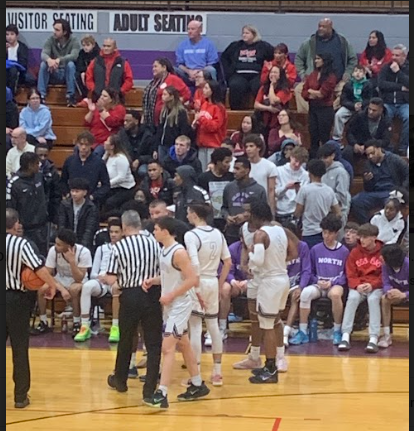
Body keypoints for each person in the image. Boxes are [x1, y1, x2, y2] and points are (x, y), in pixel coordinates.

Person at [142, 217, 210, 408]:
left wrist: (171, 294)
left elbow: (192, 279)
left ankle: (162, 393)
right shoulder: (164, 250)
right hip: (171, 304)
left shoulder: (179, 252)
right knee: (184, 343)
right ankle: (197, 384)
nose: (153, 232)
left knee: (167, 347)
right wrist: (153, 281)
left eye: (156, 229)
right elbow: (171, 277)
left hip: (180, 304)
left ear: (165, 231)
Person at [103, 211, 162, 401]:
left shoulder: (119, 247)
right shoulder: (155, 243)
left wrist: (115, 282)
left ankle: (120, 380)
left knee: (126, 339)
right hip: (152, 293)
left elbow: (112, 276)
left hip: (130, 295)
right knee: (153, 343)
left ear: (124, 226)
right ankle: (150, 388)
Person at [6, 208, 57, 409]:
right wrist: (52, 285)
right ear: (16, 224)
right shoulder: (21, 243)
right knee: (19, 348)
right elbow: (38, 268)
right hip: (15, 300)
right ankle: (20, 396)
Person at [247, 201, 298, 383]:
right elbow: (294, 252)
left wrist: (252, 255)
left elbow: (258, 261)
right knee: (275, 321)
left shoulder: (260, 234)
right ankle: (277, 359)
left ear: (255, 216)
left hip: (269, 282)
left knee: (267, 325)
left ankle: (270, 369)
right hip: (283, 278)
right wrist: (277, 260)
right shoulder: (280, 230)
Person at [185, 204, 232, 386]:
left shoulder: (191, 235)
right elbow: (227, 262)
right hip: (213, 280)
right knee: (213, 326)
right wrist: (220, 285)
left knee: (195, 327)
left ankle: (195, 375)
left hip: (199, 281)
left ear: (195, 215)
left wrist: (196, 288)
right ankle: (217, 372)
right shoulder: (218, 233)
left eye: (189, 213)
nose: (187, 216)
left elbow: (194, 265)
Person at [289, 214, 349, 346]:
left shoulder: (344, 251)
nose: (326, 236)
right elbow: (309, 271)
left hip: (335, 284)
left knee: (335, 294)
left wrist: (332, 283)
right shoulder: (316, 249)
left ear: (337, 233)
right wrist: (317, 281)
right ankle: (303, 331)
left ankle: (337, 330)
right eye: (324, 232)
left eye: (329, 233)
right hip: (318, 284)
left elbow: (346, 274)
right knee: (305, 294)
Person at [33, 229, 93, 337]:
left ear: (68, 246)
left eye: (59, 245)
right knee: (41, 288)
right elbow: (47, 274)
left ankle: (76, 322)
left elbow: (79, 278)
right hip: (59, 279)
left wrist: (72, 262)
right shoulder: (53, 251)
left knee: (74, 289)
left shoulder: (84, 252)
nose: (56, 246)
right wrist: (61, 289)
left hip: (78, 280)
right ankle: (43, 321)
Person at [74, 219, 123, 343]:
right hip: (101, 281)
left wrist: (113, 277)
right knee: (87, 286)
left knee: (117, 289)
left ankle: (115, 327)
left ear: (122, 232)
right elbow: (93, 272)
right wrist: (101, 277)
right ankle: (85, 326)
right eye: (111, 232)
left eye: (116, 232)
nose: (113, 235)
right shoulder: (101, 249)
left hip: (117, 281)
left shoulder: (126, 248)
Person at [294, 18, 357, 113]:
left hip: (337, 81)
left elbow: (353, 59)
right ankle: (308, 115)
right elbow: (298, 59)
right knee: (298, 90)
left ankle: (329, 110)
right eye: (319, 26)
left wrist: (347, 73)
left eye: (324, 27)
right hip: (313, 82)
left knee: (346, 92)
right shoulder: (310, 42)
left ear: (331, 27)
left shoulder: (342, 41)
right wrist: (303, 74)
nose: (320, 29)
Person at [339, 224, 383, 353]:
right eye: (361, 237)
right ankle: (345, 335)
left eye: (365, 237)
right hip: (359, 286)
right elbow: (350, 272)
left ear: (374, 238)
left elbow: (385, 274)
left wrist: (373, 285)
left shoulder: (382, 251)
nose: (361, 240)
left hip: (375, 286)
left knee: (373, 300)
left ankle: (373, 337)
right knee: (352, 298)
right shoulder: (355, 252)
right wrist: (357, 285)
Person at [351, 139, 409, 224]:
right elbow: (367, 188)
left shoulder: (394, 159)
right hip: (374, 192)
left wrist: (401, 189)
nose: (370, 156)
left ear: (379, 149)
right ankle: (368, 226)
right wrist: (367, 181)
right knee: (356, 201)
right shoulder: (368, 164)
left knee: (391, 204)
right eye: (368, 155)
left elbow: (408, 173)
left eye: (372, 153)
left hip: (391, 192)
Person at [221, 25, 274, 110]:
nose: (244, 35)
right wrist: (229, 72)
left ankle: (260, 111)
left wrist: (268, 71)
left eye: (247, 33)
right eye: (243, 33)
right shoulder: (236, 45)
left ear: (254, 34)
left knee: (259, 86)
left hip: (256, 75)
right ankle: (236, 112)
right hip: (239, 75)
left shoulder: (263, 46)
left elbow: (274, 56)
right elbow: (224, 57)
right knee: (235, 85)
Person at [6, 152, 48, 256]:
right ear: (30, 165)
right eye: (37, 163)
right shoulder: (14, 183)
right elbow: (10, 208)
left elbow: (47, 194)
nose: (40, 165)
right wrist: (16, 227)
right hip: (25, 230)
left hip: (42, 227)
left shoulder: (39, 176)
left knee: (42, 258)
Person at [294, 159, 341, 249]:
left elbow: (297, 212)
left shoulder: (304, 190)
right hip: (325, 232)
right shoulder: (329, 190)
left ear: (309, 173)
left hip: (309, 232)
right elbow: (338, 213)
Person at [221, 157, 267, 245]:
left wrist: (246, 217)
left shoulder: (259, 189)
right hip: (232, 232)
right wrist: (227, 217)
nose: (234, 171)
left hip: (252, 232)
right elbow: (224, 207)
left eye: (237, 169)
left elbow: (263, 214)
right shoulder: (229, 187)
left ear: (247, 170)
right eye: (234, 168)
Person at [37, 19, 80, 107]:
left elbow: (74, 55)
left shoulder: (74, 41)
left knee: (71, 65)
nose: (54, 32)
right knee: (43, 64)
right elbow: (44, 54)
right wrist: (49, 60)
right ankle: (41, 95)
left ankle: (71, 96)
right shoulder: (51, 39)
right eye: (54, 29)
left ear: (65, 32)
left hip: (66, 73)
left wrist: (59, 60)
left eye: (57, 30)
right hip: (54, 71)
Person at [60, 131, 110, 205]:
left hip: (91, 203)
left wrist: (93, 196)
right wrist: (67, 194)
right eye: (81, 144)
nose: (83, 147)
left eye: (86, 145)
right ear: (77, 144)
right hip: (72, 201)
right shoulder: (70, 161)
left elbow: (106, 185)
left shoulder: (99, 162)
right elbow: (63, 181)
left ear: (91, 145)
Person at [302, 53, 337, 159]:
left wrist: (311, 91)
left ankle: (326, 160)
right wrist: (311, 93)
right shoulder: (312, 74)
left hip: (325, 110)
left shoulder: (331, 76)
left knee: (324, 137)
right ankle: (313, 161)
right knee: (313, 136)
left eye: (318, 59)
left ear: (324, 60)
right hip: (313, 109)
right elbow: (304, 92)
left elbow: (323, 94)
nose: (316, 61)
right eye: (315, 58)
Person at [282, 223, 312, 347]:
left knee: (295, 297)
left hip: (296, 283)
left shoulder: (303, 246)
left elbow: (306, 270)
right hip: (281, 281)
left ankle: (286, 331)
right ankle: (279, 329)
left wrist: (301, 287)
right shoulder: (279, 247)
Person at [378, 44, 409, 154]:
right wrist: (400, 87)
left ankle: (403, 148)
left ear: (404, 57)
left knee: (408, 117)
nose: (394, 58)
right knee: (384, 117)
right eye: (393, 55)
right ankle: (387, 147)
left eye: (397, 55)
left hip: (404, 103)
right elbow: (381, 84)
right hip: (388, 102)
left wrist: (398, 73)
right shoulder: (386, 68)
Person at [143, 58, 191, 127]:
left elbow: (187, 94)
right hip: (154, 121)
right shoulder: (154, 82)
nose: (153, 69)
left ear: (164, 67)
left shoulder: (173, 79)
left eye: (156, 66)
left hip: (168, 119)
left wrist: (175, 103)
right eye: (153, 67)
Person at [192, 80, 228, 171]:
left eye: (206, 88)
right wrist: (196, 124)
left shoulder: (219, 108)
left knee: (211, 171)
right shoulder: (204, 105)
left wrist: (201, 119)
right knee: (202, 172)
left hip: (214, 145)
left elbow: (215, 126)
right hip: (202, 144)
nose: (203, 90)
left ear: (213, 91)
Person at [344, 97, 393, 164]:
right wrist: (354, 144)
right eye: (369, 109)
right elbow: (349, 132)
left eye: (374, 110)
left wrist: (371, 146)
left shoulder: (386, 121)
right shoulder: (359, 116)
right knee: (347, 151)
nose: (370, 112)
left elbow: (386, 140)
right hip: (359, 146)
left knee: (388, 153)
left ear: (381, 110)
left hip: (376, 146)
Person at [378, 244, 409, 348]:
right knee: (384, 299)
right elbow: (385, 282)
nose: (379, 258)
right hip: (395, 294)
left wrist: (404, 294)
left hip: (406, 293)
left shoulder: (408, 265)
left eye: (382, 256)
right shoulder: (385, 266)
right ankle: (387, 335)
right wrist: (388, 291)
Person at [332, 64, 373, 142]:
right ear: (352, 73)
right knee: (338, 114)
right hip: (350, 106)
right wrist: (353, 105)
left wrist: (362, 105)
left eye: (360, 72)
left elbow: (369, 99)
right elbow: (343, 100)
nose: (358, 73)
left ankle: (365, 139)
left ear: (364, 74)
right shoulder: (348, 85)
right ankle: (337, 138)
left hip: (363, 107)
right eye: (356, 71)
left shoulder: (369, 85)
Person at [318, 142, 351, 238]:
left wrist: (325, 196)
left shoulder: (341, 172)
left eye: (325, 158)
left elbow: (342, 195)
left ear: (332, 156)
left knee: (337, 239)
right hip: (325, 211)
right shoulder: (320, 171)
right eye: (321, 158)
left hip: (339, 210)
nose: (323, 161)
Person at [86, 38, 133, 102]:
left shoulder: (123, 63)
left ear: (115, 48)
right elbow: (89, 78)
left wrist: (121, 91)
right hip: (98, 99)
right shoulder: (95, 61)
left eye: (108, 46)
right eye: (104, 46)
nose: (106, 48)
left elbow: (129, 80)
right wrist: (94, 90)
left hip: (116, 100)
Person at [58, 178, 99, 251]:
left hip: (83, 242)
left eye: (77, 191)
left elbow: (89, 230)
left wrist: (81, 248)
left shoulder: (91, 208)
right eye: (72, 191)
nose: (74, 194)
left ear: (85, 192)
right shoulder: (64, 205)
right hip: (67, 241)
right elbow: (61, 225)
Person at [154, 85, 193, 164]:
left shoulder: (180, 112)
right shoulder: (164, 111)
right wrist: (155, 148)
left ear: (172, 97)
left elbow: (183, 131)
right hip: (162, 145)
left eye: (165, 94)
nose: (162, 97)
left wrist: (178, 146)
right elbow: (159, 130)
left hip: (173, 146)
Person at [198, 148, 234, 230]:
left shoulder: (232, 177)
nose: (229, 165)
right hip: (211, 218)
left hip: (228, 218)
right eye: (226, 162)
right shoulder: (204, 178)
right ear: (218, 162)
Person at [84, 88, 126, 157]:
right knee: (78, 149)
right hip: (93, 140)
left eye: (105, 96)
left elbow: (111, 122)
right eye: (101, 95)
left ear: (111, 99)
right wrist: (91, 111)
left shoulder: (119, 109)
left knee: (96, 154)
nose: (101, 98)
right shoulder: (97, 108)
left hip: (106, 142)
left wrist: (101, 110)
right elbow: (86, 122)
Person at [175, 20, 219, 86]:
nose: (190, 31)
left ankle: (213, 93)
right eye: (188, 29)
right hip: (187, 73)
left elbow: (211, 63)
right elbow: (180, 64)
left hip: (203, 72)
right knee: (174, 70)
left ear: (200, 30)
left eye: (193, 29)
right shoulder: (182, 45)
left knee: (211, 70)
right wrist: (189, 72)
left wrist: (199, 72)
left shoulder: (208, 44)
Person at [275, 146, 310, 224]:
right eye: (296, 161)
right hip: (280, 211)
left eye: (300, 163)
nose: (297, 164)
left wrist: (298, 190)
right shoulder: (279, 171)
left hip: (295, 212)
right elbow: (276, 193)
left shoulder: (305, 175)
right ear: (291, 157)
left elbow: (304, 198)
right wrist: (286, 187)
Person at [102, 134, 136, 213]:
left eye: (107, 141)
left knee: (110, 202)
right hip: (113, 187)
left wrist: (107, 184)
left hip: (125, 189)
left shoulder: (121, 158)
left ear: (112, 146)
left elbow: (121, 177)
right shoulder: (108, 156)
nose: (104, 142)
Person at [244, 134, 277, 215]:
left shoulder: (269, 166)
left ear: (258, 148)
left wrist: (272, 212)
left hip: (262, 205)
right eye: (246, 146)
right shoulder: (242, 165)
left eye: (251, 146)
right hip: (245, 204)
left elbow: (271, 190)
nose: (248, 149)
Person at [254, 65, 292, 133]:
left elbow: (273, 101)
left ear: (280, 76)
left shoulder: (285, 90)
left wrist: (272, 86)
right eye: (271, 72)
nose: (273, 74)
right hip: (263, 122)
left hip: (277, 123)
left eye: (275, 72)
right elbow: (256, 105)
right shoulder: (264, 88)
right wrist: (268, 108)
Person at [35, 144, 61, 226]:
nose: (43, 158)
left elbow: (56, 195)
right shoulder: (29, 171)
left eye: (45, 155)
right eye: (40, 155)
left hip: (48, 208)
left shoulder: (53, 171)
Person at [75, 34, 100, 101]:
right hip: (84, 74)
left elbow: (98, 67)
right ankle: (83, 96)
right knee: (77, 74)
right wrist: (83, 72)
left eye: (88, 45)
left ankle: (95, 95)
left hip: (94, 73)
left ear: (93, 45)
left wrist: (87, 72)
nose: (85, 47)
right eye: (83, 45)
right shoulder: (81, 53)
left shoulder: (98, 53)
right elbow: (79, 65)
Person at [6, 24, 29, 93]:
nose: (9, 37)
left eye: (12, 34)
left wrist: (13, 64)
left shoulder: (22, 47)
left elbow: (23, 63)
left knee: (13, 70)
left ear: (17, 35)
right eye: (7, 34)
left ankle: (11, 95)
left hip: (18, 71)